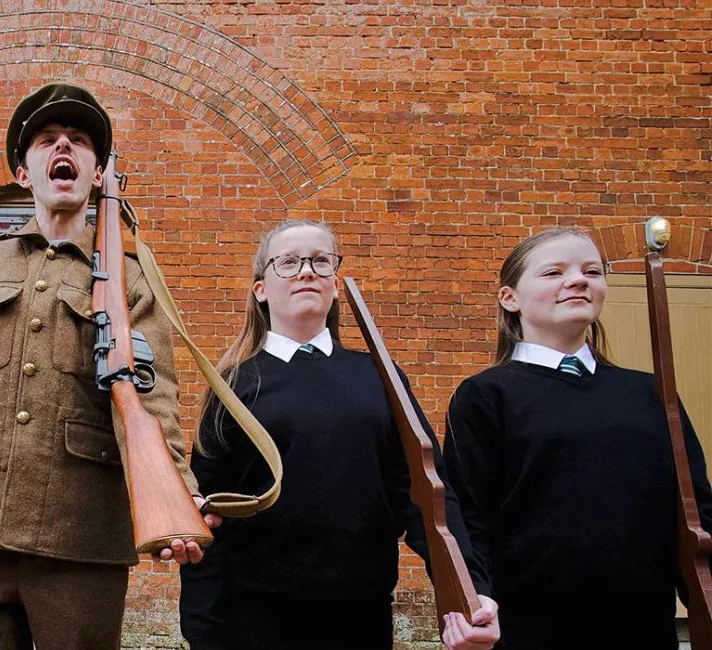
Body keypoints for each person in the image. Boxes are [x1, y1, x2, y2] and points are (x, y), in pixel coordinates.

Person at [0, 82, 213, 650]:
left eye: (78, 141)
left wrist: (178, 496)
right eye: (46, 140)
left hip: (81, 538)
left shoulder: (132, 276)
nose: (62, 147)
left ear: (97, 175)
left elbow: (152, 400)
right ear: (24, 172)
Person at [179, 221, 499, 650]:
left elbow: (424, 493)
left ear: (334, 284)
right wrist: (203, 626)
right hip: (253, 617)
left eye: (320, 261)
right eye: (288, 262)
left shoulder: (378, 376)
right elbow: (207, 509)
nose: (307, 271)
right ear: (260, 289)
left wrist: (467, 590)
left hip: (360, 612)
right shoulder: (234, 382)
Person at [443, 227, 712, 648]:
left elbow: (694, 507)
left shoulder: (650, 394)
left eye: (592, 270)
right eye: (553, 272)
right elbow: (467, 512)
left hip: (643, 627)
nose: (578, 279)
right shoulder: (486, 396)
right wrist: (474, 596)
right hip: (532, 629)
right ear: (509, 298)